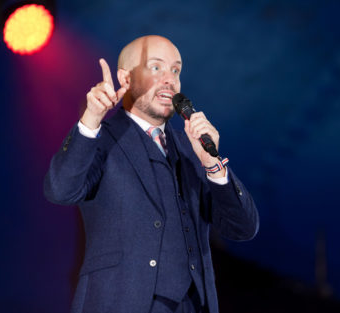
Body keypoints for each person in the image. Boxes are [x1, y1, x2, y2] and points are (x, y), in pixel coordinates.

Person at [44, 35, 259, 313]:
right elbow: (60, 190)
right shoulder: (100, 137)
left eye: (176, 70)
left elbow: (243, 227)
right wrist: (90, 120)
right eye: (156, 67)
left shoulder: (191, 147)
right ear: (126, 78)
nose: (170, 79)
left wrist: (213, 164)